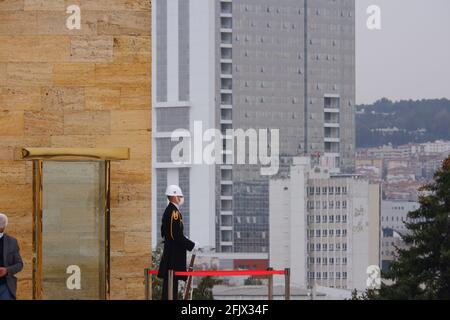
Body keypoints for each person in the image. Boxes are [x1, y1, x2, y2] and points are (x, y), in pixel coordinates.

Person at [157, 185, 199, 300]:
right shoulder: (173, 212)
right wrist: (191, 245)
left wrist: (182, 238)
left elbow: (170, 233)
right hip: (173, 256)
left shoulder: (170, 210)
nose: (181, 198)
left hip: (171, 254)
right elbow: (175, 235)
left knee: (170, 289)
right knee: (170, 290)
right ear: (175, 197)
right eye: (180, 196)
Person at [0, 213, 23, 300]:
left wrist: (7, 270)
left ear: (4, 227)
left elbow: (19, 264)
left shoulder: (12, 242)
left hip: (5, 287)